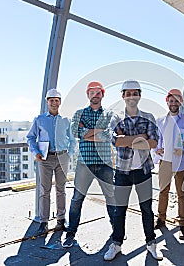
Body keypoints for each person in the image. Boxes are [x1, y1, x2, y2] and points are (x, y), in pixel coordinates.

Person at [103, 80, 163, 261]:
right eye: (127, 93)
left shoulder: (149, 116)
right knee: (119, 210)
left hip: (143, 170)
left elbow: (153, 143)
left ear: (140, 95)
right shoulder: (115, 118)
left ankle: (151, 243)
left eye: (134, 93)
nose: (131, 96)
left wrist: (128, 138)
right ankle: (116, 244)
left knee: (147, 209)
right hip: (122, 171)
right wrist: (141, 137)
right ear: (122, 96)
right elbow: (116, 141)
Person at [63, 81, 115, 248]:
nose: (95, 95)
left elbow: (108, 135)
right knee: (77, 198)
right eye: (91, 92)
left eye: (98, 92)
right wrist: (97, 132)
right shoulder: (79, 113)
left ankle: (117, 231)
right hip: (84, 163)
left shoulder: (109, 114)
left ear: (102, 94)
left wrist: (87, 132)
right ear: (87, 95)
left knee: (111, 197)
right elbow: (74, 132)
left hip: (104, 163)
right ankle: (70, 233)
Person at [27, 88, 76, 235]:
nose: (54, 103)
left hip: (62, 157)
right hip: (45, 159)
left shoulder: (66, 120)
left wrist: (69, 154)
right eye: (51, 100)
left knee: (61, 190)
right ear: (47, 102)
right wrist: (35, 152)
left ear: (60, 102)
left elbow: (73, 140)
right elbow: (30, 137)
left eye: (56, 100)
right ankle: (43, 222)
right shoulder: (39, 119)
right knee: (44, 191)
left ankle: (61, 220)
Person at [153, 89, 184, 240]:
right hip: (165, 161)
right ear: (167, 101)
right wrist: (157, 149)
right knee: (163, 191)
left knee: (181, 193)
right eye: (171, 100)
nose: (173, 103)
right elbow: (156, 139)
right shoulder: (160, 121)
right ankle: (161, 219)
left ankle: (182, 224)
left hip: (181, 162)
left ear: (180, 103)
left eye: (176, 101)